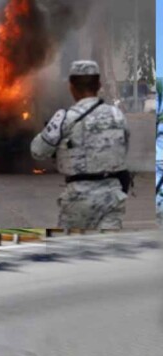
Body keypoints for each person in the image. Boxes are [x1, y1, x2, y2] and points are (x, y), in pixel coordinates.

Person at [31, 60, 130, 230]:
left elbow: (37, 151)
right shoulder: (117, 115)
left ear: (71, 86)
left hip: (78, 200)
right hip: (112, 199)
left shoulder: (65, 118)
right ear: (98, 84)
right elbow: (123, 148)